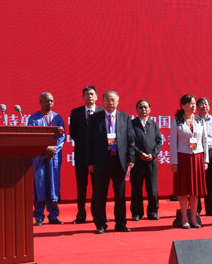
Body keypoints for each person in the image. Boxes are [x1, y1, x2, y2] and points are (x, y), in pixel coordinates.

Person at [87, 90, 135, 234]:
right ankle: (101, 224)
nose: (110, 102)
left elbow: (131, 141)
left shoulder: (125, 117)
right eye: (108, 99)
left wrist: (131, 159)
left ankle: (121, 223)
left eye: (113, 99)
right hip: (101, 161)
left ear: (118, 102)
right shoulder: (95, 118)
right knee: (100, 194)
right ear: (102, 101)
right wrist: (90, 162)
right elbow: (89, 142)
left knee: (120, 195)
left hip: (119, 161)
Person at [170, 94, 208, 229]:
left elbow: (205, 141)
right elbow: (173, 143)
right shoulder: (177, 121)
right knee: (183, 191)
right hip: (183, 158)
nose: (193, 106)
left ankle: (193, 218)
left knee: (195, 191)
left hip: (197, 157)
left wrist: (206, 160)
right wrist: (174, 162)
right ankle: (184, 219)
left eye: (194, 103)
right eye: (190, 103)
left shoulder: (200, 120)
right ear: (182, 106)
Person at [28, 92, 65, 226]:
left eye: (51, 101)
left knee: (53, 185)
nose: (49, 103)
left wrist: (53, 149)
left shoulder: (58, 118)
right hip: (40, 157)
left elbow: (62, 137)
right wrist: (45, 149)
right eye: (47, 101)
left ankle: (53, 215)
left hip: (54, 157)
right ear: (40, 102)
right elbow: (32, 137)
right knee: (40, 185)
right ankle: (39, 216)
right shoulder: (33, 119)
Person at [69, 86, 102, 224]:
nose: (90, 96)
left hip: (97, 156)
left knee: (97, 186)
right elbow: (73, 133)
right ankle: (81, 215)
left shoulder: (102, 112)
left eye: (92, 94)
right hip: (81, 155)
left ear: (97, 97)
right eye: (87, 94)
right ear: (83, 97)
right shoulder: (76, 112)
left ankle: (97, 215)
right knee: (81, 186)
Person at [130, 99, 162, 221]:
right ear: (136, 109)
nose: (143, 109)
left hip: (151, 161)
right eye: (141, 107)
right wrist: (140, 153)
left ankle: (153, 211)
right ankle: (137, 213)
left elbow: (158, 141)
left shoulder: (153, 124)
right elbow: (130, 142)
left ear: (149, 109)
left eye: (145, 107)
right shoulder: (131, 124)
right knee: (136, 188)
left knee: (152, 188)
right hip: (137, 161)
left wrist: (153, 155)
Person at [198, 97, 212, 216]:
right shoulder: (194, 120)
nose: (204, 106)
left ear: (209, 107)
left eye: (206, 104)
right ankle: (196, 209)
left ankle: (209, 209)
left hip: (211, 152)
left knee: (210, 182)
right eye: (201, 104)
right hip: (198, 152)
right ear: (197, 107)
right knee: (197, 181)